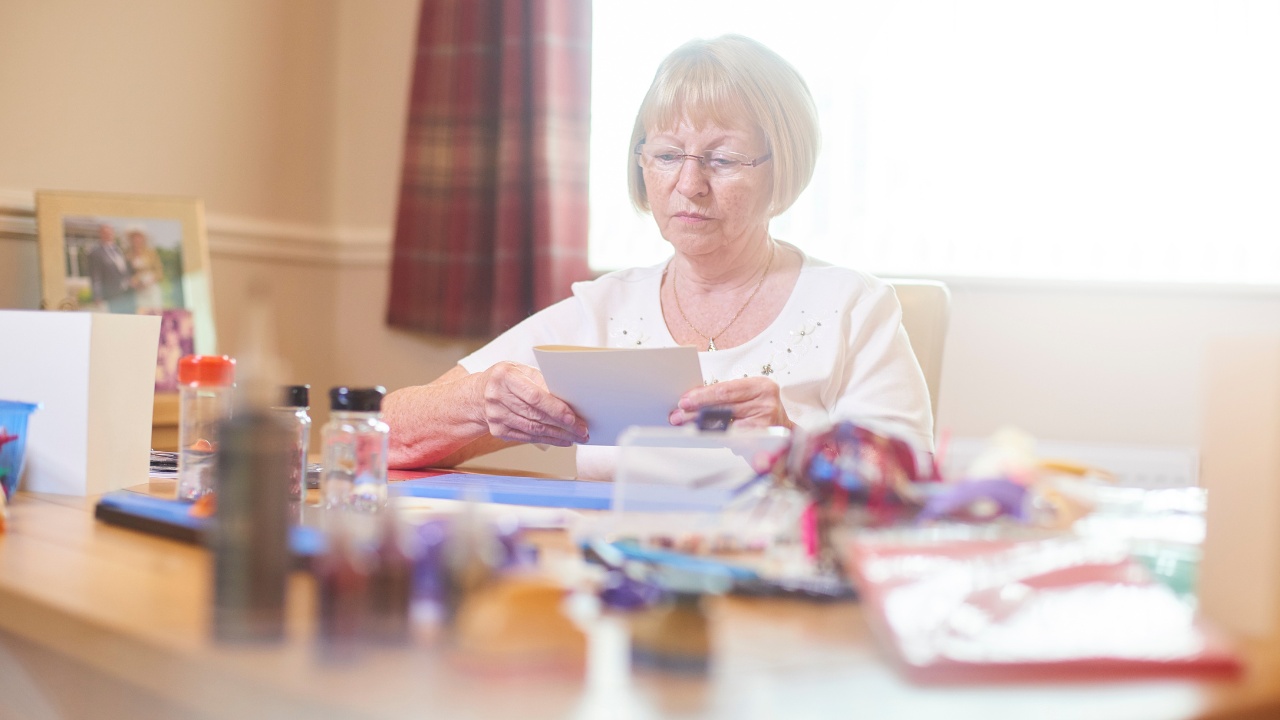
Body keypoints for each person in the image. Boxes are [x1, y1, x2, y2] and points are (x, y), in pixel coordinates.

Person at [384, 35, 933, 479]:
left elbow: (910, 486)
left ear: (782, 168)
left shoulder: (852, 306)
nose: (689, 184)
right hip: (612, 584)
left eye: (723, 158)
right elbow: (386, 433)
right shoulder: (603, 310)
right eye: (668, 154)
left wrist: (792, 439)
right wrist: (483, 400)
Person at [86, 223, 136, 313]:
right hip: (111, 295)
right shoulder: (96, 253)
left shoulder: (119, 250)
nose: (108, 235)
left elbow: (123, 269)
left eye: (110, 232)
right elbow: (95, 276)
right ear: (100, 234)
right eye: (105, 233)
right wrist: (97, 296)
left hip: (126, 292)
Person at [125, 227, 165, 311]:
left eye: (139, 238)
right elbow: (126, 273)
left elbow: (159, 271)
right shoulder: (128, 255)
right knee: (142, 312)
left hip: (151, 288)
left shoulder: (151, 253)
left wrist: (151, 280)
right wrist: (132, 281)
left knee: (155, 311)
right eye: (134, 238)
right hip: (138, 290)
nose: (136, 240)